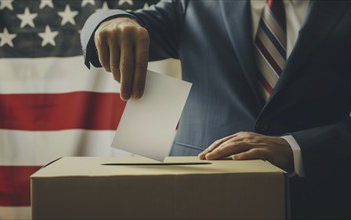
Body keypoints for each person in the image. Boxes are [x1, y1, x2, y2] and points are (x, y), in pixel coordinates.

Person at [81, 1, 350, 219]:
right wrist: (110, 22)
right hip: (197, 194)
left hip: (319, 195)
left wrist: (295, 147)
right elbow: (116, 23)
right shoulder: (195, 5)